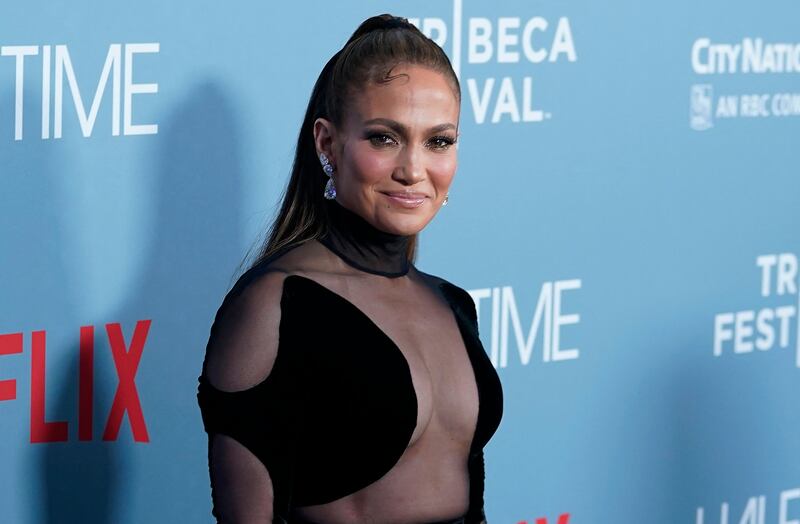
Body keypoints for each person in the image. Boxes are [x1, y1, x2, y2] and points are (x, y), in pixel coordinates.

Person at [196, 13, 503, 524]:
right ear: (327, 144)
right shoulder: (276, 306)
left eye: (439, 141)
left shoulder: (453, 305)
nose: (413, 169)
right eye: (385, 137)